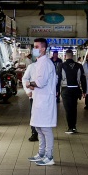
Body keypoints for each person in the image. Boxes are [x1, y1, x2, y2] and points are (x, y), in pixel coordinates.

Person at [26, 37, 58, 166]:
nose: (35, 49)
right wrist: (33, 85)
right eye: (34, 47)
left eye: (37, 47)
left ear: (43, 49)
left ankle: (49, 156)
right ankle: (41, 153)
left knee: (45, 129)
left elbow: (40, 82)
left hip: (45, 101)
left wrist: (29, 84)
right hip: (39, 99)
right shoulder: (40, 62)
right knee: (39, 128)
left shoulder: (45, 62)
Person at [59, 49, 86, 133]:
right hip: (75, 89)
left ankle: (70, 127)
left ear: (65, 56)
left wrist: (56, 90)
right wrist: (84, 91)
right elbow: (83, 79)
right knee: (74, 108)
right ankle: (74, 126)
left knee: (68, 109)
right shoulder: (79, 66)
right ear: (73, 56)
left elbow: (58, 78)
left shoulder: (62, 65)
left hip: (65, 89)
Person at [22, 52, 38, 142]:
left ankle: (44, 134)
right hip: (34, 95)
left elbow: (54, 80)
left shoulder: (48, 66)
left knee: (44, 116)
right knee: (34, 114)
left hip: (45, 97)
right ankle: (34, 133)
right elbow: (25, 79)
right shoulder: (31, 67)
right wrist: (28, 91)